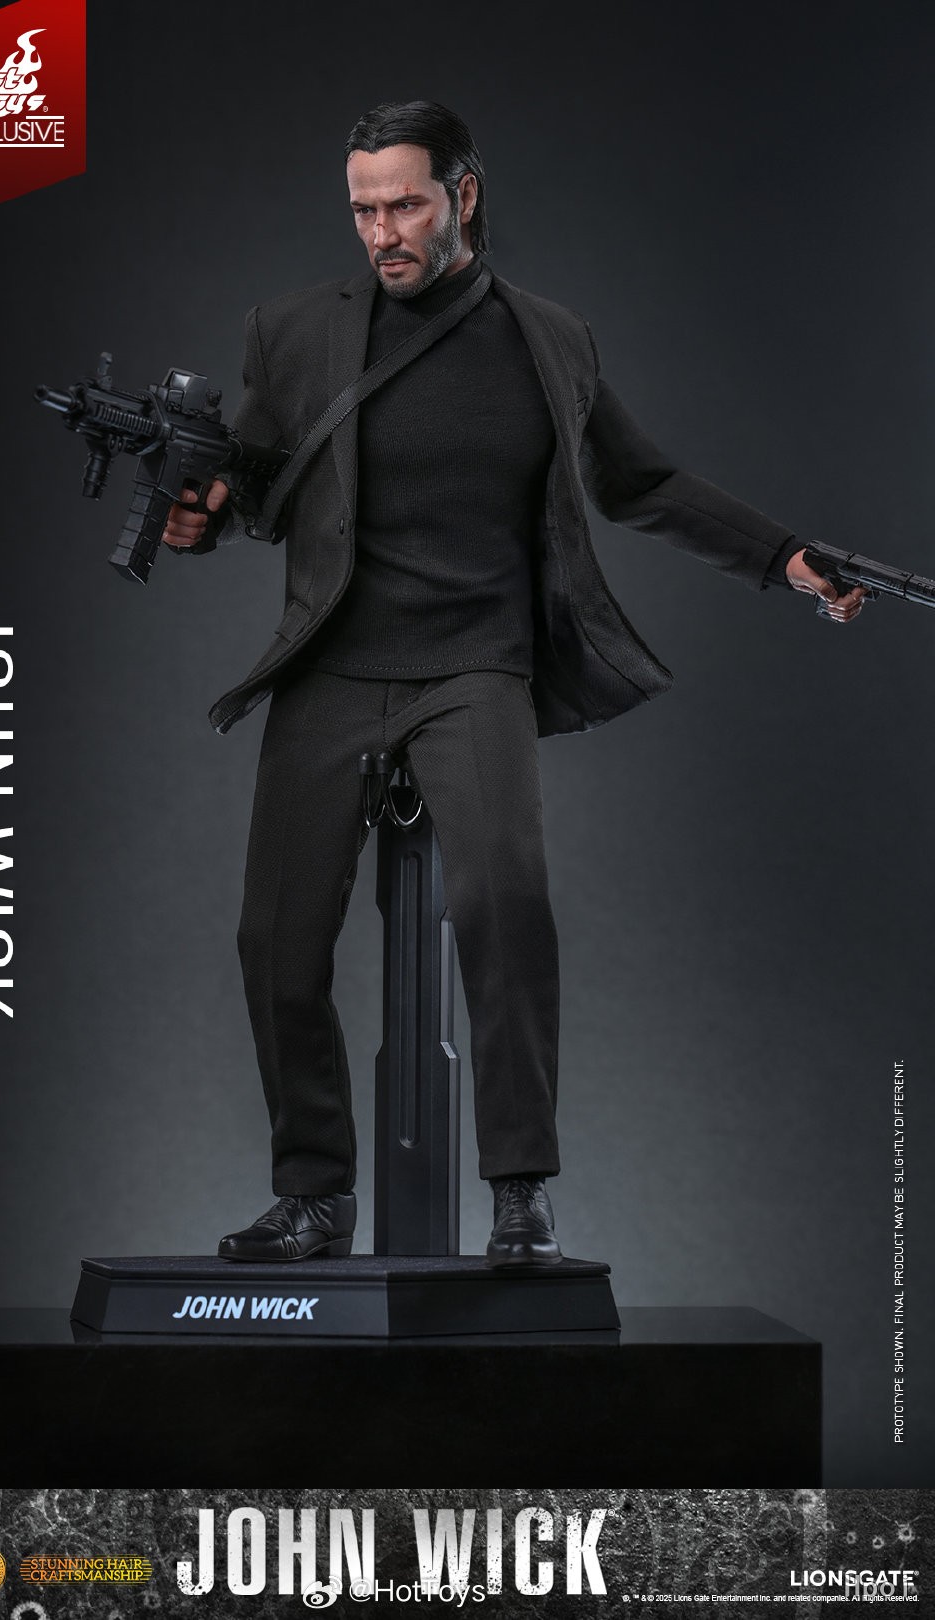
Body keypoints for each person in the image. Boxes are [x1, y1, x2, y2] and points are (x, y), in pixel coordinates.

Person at [161, 101, 865, 1269]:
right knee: (274, 938)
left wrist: (782, 556)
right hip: (332, 666)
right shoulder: (292, 331)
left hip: (474, 663)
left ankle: (521, 1194)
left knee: (503, 908)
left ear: (466, 195)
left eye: (406, 205)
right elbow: (255, 483)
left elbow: (640, 482)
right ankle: (314, 1196)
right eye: (363, 209)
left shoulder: (549, 339)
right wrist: (202, 514)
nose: (381, 232)